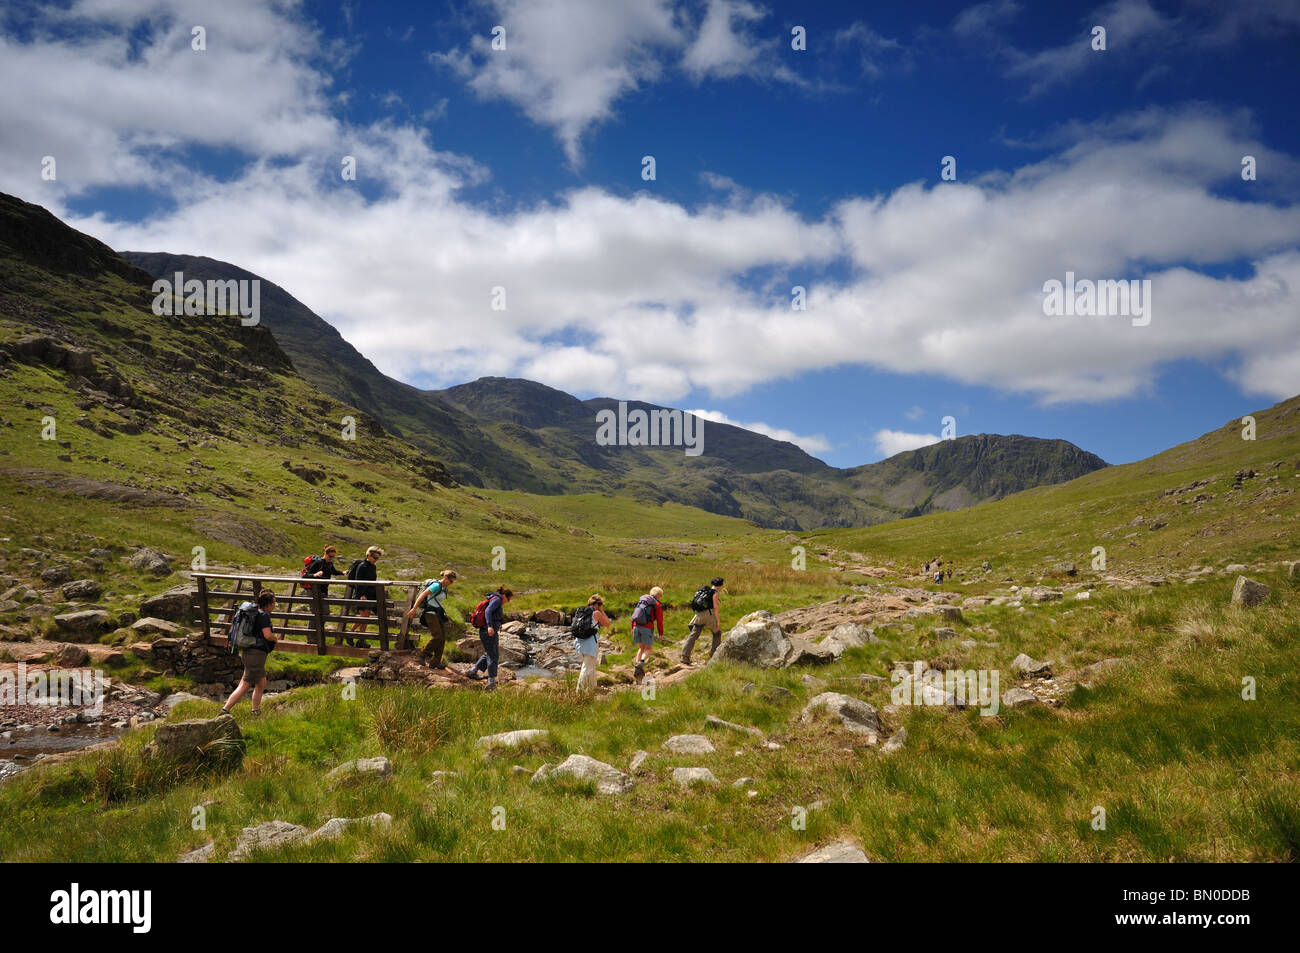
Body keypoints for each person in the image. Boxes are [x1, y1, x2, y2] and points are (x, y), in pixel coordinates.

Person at [220, 589, 279, 717]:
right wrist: (275, 638)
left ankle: (255, 712)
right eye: (274, 602)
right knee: (245, 684)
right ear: (268, 604)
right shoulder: (264, 616)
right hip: (256, 655)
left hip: (249, 653)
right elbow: (267, 635)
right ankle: (225, 710)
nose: (275, 605)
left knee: (261, 682)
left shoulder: (255, 613)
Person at [406, 569, 457, 669]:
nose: (451, 583)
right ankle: (421, 655)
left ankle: (435, 663)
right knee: (437, 636)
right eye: (451, 581)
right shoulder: (436, 586)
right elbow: (422, 595)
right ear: (445, 578)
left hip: (438, 613)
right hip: (430, 613)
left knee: (442, 638)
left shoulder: (444, 587)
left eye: (453, 582)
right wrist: (414, 609)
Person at [466, 586, 512, 690]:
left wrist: (497, 624)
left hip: (486, 630)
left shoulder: (494, 599)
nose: (508, 601)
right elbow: (488, 611)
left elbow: (493, 614)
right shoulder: (497, 599)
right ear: (504, 595)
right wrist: (490, 626)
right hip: (488, 631)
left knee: (489, 652)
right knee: (493, 655)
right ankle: (491, 682)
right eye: (508, 599)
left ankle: (473, 671)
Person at [339, 545, 383, 648]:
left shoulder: (373, 566)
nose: (376, 560)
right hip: (361, 595)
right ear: (368, 555)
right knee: (364, 617)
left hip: (370, 594)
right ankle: (351, 633)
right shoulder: (362, 566)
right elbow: (358, 582)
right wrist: (361, 595)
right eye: (375, 558)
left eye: (378, 558)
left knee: (366, 617)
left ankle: (360, 640)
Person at [573, 594, 612, 694]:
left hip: (579, 642)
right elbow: (607, 623)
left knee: (589, 666)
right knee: (587, 668)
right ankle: (579, 691)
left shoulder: (581, 612)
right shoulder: (597, 613)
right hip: (589, 643)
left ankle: (591, 688)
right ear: (598, 604)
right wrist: (602, 610)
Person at [680, 577, 724, 665]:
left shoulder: (703, 591)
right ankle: (714, 655)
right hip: (709, 615)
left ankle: (685, 656)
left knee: (694, 634)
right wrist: (718, 622)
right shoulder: (715, 593)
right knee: (717, 633)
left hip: (699, 615)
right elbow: (715, 608)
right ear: (720, 585)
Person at [630, 586, 664, 683]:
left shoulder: (642, 600)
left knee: (641, 648)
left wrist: (632, 627)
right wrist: (661, 632)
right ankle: (641, 663)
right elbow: (659, 620)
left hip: (636, 626)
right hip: (647, 627)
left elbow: (634, 615)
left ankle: (637, 669)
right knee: (649, 648)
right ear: (659, 596)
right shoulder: (656, 604)